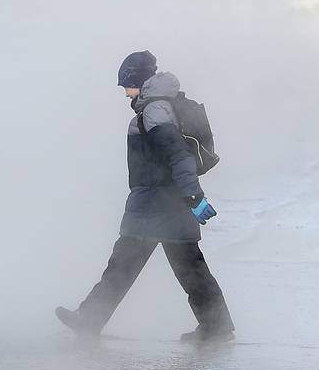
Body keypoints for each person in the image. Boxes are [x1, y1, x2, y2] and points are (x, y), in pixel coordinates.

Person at [55, 51, 236, 343]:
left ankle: (89, 319)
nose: (124, 92)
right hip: (168, 204)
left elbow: (178, 155)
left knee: (124, 265)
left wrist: (194, 195)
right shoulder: (157, 108)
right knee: (190, 268)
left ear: (137, 81)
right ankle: (216, 326)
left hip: (156, 205)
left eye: (126, 85)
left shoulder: (155, 110)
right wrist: (189, 198)